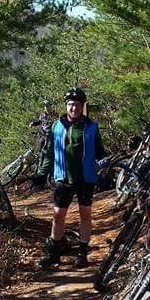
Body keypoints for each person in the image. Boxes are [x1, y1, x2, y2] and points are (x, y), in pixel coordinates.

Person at [34, 87, 107, 269]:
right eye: (70, 104)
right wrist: (41, 174)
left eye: (76, 105)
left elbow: (100, 153)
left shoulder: (91, 127)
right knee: (58, 216)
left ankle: (82, 253)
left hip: (86, 178)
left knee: (85, 215)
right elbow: (49, 153)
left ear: (82, 106)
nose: (73, 108)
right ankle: (54, 254)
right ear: (66, 106)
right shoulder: (56, 126)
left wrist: (106, 171)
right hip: (64, 178)